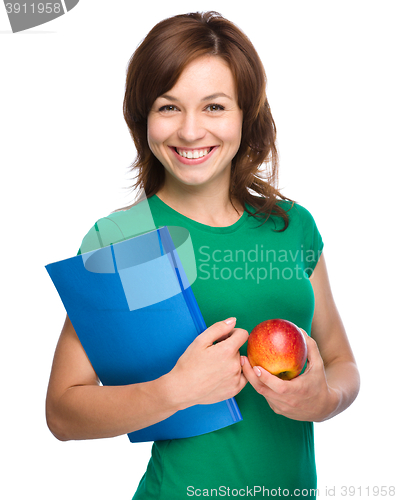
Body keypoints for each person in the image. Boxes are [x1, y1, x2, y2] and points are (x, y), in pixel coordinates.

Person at [46, 11, 360, 499]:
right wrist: (174, 392)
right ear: (142, 117)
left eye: (214, 107)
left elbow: (341, 359)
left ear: (245, 115)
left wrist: (324, 398)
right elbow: (63, 412)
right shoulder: (127, 239)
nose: (191, 131)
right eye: (168, 107)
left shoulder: (290, 226)